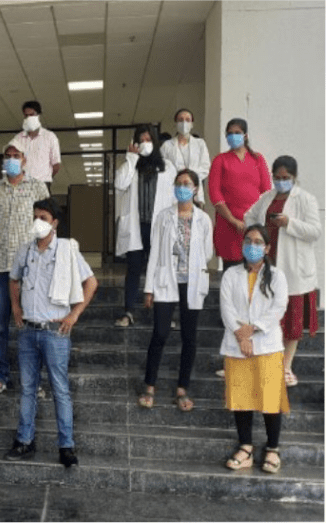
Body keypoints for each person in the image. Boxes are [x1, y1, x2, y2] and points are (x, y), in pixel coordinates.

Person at [6, 198, 97, 467]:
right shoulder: (25, 250)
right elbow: (13, 279)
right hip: (28, 330)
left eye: (43, 218)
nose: (38, 222)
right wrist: (15, 306)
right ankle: (24, 441)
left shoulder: (67, 250)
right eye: (35, 217)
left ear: (54, 223)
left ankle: (66, 446)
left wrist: (74, 315)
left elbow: (91, 282)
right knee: (27, 389)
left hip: (55, 332)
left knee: (60, 389)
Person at [0, 141, 50, 396]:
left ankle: (34, 380)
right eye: (7, 156)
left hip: (30, 268)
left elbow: (48, 225)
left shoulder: (37, 187)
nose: (11, 159)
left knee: (32, 326)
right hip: (0, 268)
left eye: (16, 155)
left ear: (24, 159)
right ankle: (0, 376)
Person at [138, 170, 213, 410]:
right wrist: (149, 288)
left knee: (189, 337)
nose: (182, 187)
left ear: (196, 189)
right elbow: (155, 253)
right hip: (165, 281)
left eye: (187, 183)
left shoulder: (203, 219)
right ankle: (150, 386)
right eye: (178, 183)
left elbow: (207, 252)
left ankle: (182, 389)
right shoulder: (163, 216)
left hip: (192, 283)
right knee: (160, 333)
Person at [243, 155, 321, 387]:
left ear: (294, 177)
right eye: (276, 177)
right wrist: (257, 234)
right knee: (266, 316)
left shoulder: (305, 199)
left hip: (294, 267)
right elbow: (249, 217)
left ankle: (285, 367)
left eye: (285, 177)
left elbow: (315, 231)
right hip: (268, 263)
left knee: (292, 321)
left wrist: (289, 223)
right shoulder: (267, 197)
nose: (280, 181)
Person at [220, 225, 289, 474]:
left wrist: (253, 329)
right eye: (248, 240)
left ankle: (272, 449)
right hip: (237, 344)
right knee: (241, 398)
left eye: (258, 242)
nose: (252, 246)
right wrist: (241, 335)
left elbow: (278, 307)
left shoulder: (277, 276)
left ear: (267, 248)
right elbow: (226, 307)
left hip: (267, 344)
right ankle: (246, 448)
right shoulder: (231, 274)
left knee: (270, 399)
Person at [113, 124, 177, 327]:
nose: (145, 144)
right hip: (136, 227)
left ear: (155, 142)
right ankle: (128, 312)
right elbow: (119, 184)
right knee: (133, 269)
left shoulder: (167, 166)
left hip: (159, 226)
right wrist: (131, 158)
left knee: (160, 269)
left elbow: (175, 197)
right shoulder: (131, 165)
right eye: (141, 140)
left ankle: (162, 314)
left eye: (148, 140)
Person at [208, 118, 271, 271]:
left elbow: (266, 192)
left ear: (245, 135)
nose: (233, 136)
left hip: (254, 225)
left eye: (237, 132)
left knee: (255, 270)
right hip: (229, 226)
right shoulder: (220, 160)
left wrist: (258, 220)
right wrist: (233, 220)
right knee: (232, 271)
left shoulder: (257, 159)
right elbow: (215, 194)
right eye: (230, 133)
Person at [159, 109, 211, 204]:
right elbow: (162, 168)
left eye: (187, 120)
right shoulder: (167, 146)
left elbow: (205, 167)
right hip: (173, 191)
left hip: (194, 192)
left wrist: (190, 178)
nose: (184, 123)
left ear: (192, 124)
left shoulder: (200, 144)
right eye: (180, 120)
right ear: (176, 123)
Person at [12, 100, 62, 192]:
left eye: (31, 115)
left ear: (38, 115)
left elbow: (56, 164)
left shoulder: (50, 137)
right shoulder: (18, 139)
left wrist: (46, 177)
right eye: (26, 116)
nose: (28, 118)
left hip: (42, 184)